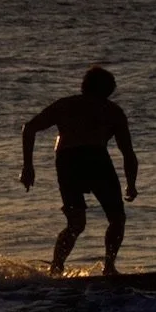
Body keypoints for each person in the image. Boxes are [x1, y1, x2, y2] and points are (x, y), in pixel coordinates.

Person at [21, 66, 139, 276]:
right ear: (107, 89)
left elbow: (29, 128)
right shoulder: (112, 111)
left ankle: (57, 268)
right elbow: (128, 153)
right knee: (116, 219)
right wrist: (131, 184)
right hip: (88, 160)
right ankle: (108, 267)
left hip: (70, 161)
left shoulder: (67, 104)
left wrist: (28, 166)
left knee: (77, 224)